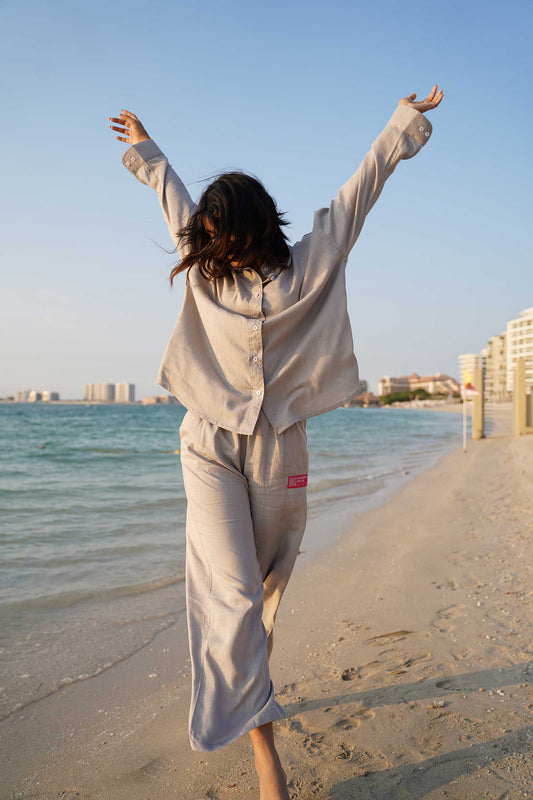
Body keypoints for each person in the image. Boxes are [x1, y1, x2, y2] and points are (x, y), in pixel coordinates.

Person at [109, 84, 443, 800]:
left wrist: (401, 124)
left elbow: (359, 192)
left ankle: (250, 689)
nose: (211, 250)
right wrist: (146, 148)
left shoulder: (312, 261)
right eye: (205, 236)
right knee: (229, 595)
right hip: (206, 444)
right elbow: (168, 195)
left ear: (254, 231)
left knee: (260, 591)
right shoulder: (199, 264)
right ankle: (266, 757)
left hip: (278, 449)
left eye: (224, 237)